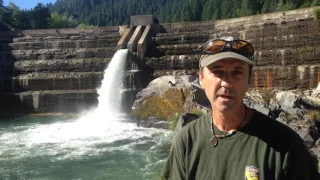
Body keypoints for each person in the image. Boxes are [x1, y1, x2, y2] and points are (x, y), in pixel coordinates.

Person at [161, 37, 320, 180]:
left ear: (247, 81)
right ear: (201, 79)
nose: (226, 83)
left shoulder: (286, 146)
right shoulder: (187, 141)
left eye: (237, 72)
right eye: (218, 72)